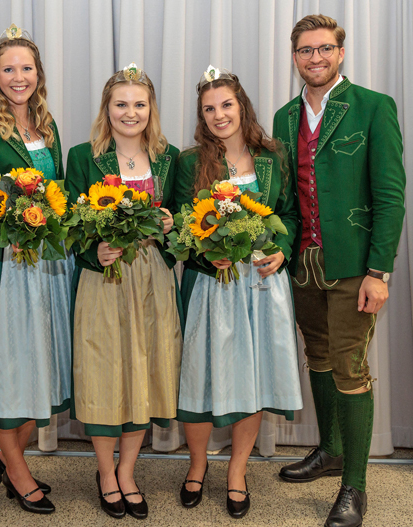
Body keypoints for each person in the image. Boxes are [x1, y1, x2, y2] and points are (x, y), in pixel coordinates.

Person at [273, 14, 406, 527]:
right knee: (320, 357)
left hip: (355, 264)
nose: (316, 58)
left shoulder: (373, 107)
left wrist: (380, 270)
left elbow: (390, 196)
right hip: (304, 264)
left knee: (350, 367)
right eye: (306, 51)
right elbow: (285, 198)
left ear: (340, 52)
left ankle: (356, 485)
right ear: (295, 57)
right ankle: (328, 452)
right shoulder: (286, 118)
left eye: (325, 48)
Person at [173, 66, 303, 519]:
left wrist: (282, 251)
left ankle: (237, 472)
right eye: (209, 109)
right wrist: (206, 256)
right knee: (199, 376)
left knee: (252, 378)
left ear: (241, 106)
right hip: (210, 286)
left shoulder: (273, 157)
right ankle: (196, 465)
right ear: (201, 116)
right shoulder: (189, 163)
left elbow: (290, 215)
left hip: (261, 286)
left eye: (226, 104)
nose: (219, 115)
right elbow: (178, 231)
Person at [0, 24, 71, 516]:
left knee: (38, 368)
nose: (18, 77)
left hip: (47, 264)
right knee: (8, 370)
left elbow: (61, 193)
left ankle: (11, 458)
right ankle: (18, 473)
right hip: (4, 265)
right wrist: (24, 210)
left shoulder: (48, 127)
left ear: (38, 73)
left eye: (26, 68)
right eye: (9, 69)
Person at [66, 63, 182, 520]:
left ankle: (129, 471)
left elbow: (185, 221)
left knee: (145, 371)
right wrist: (96, 251)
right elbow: (71, 228)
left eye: (139, 103)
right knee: (103, 371)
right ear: (106, 109)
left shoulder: (170, 157)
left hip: (152, 276)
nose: (130, 112)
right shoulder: (83, 157)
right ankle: (105, 472)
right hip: (105, 278)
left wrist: (172, 227)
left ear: (150, 108)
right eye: (121, 104)